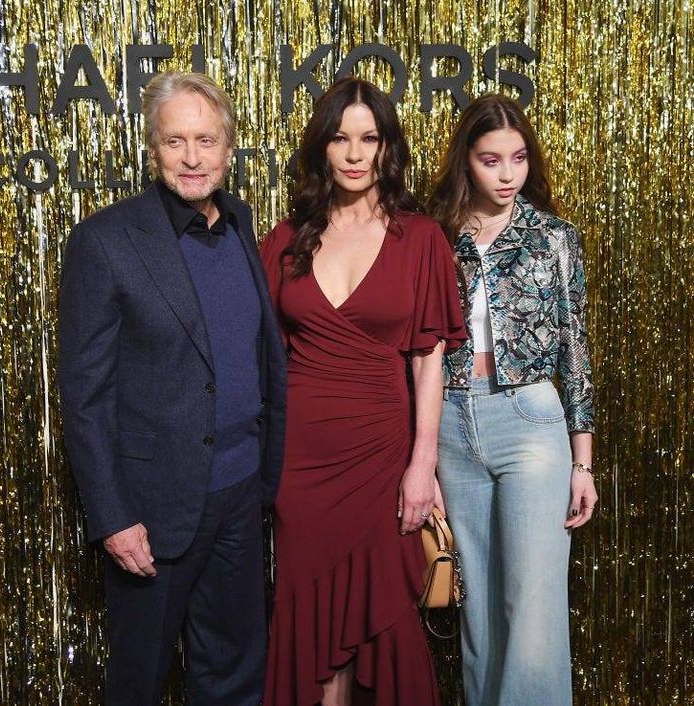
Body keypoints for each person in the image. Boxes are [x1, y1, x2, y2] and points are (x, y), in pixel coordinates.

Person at [57, 71, 287, 705]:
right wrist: (112, 516)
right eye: (175, 141)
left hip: (241, 495)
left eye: (206, 141)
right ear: (153, 149)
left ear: (229, 148)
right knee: (139, 681)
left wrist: (264, 481)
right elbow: (84, 396)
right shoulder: (106, 241)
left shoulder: (240, 225)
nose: (192, 157)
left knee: (236, 675)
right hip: (153, 511)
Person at [260, 77, 466, 706]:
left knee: (382, 616)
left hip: (383, 453)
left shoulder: (421, 238)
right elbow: (258, 356)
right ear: (322, 148)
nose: (354, 153)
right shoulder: (284, 239)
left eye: (368, 139)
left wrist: (422, 463)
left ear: (386, 149)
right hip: (302, 459)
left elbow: (428, 362)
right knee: (314, 616)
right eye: (340, 138)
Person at [427, 94, 598, 706]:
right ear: (466, 163)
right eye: (491, 160)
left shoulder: (553, 238)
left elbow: (575, 351)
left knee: (532, 612)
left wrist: (583, 463)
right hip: (451, 419)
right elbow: (414, 349)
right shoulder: (434, 237)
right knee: (481, 618)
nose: (507, 174)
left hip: (530, 420)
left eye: (519, 159)